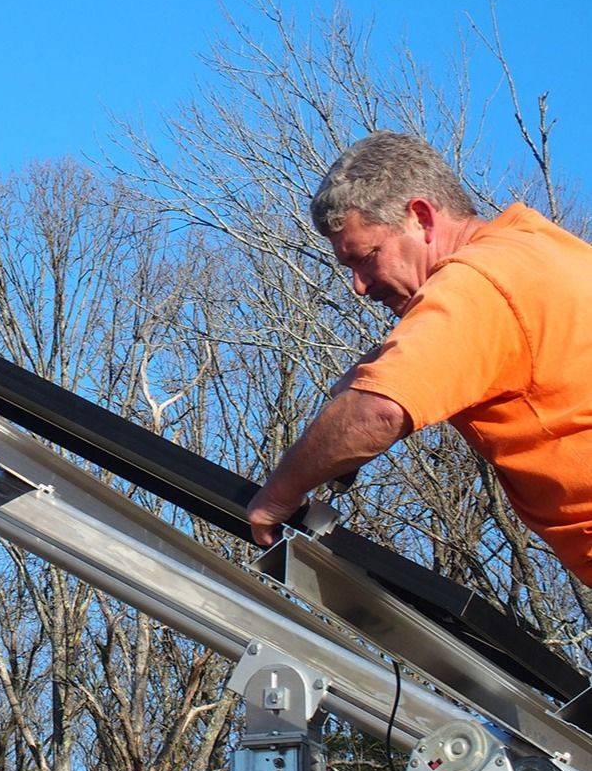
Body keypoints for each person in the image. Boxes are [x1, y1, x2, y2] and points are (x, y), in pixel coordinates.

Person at [247, 130, 592, 586]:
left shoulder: (478, 282)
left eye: (367, 257)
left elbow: (379, 410)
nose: (360, 286)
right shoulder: (536, 247)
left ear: (422, 217)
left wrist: (275, 498)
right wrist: (375, 370)